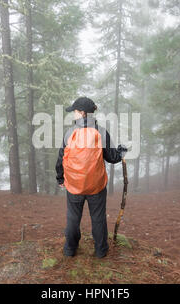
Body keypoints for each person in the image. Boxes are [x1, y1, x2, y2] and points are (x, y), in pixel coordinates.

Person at [55, 97, 127, 258]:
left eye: (74, 111)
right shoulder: (101, 131)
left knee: (73, 218)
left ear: (82, 113)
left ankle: (69, 250)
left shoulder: (70, 133)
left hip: (74, 186)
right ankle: (101, 251)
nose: (73, 114)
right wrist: (122, 150)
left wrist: (60, 179)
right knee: (98, 218)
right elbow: (113, 157)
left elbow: (61, 158)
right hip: (96, 186)